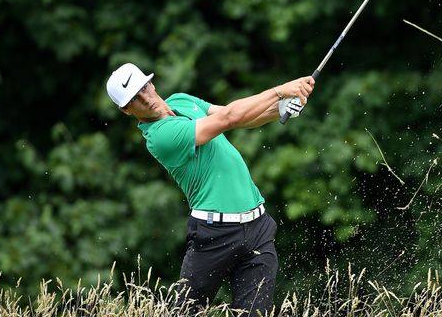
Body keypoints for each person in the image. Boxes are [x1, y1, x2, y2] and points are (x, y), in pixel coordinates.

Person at [106, 62, 314, 316]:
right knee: (185, 312)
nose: (144, 98)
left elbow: (238, 116)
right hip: (215, 235)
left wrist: (280, 108)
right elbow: (229, 118)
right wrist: (281, 91)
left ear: (151, 83)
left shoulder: (181, 100)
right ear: (126, 110)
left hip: (258, 227)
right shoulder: (160, 137)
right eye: (134, 99)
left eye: (143, 88)